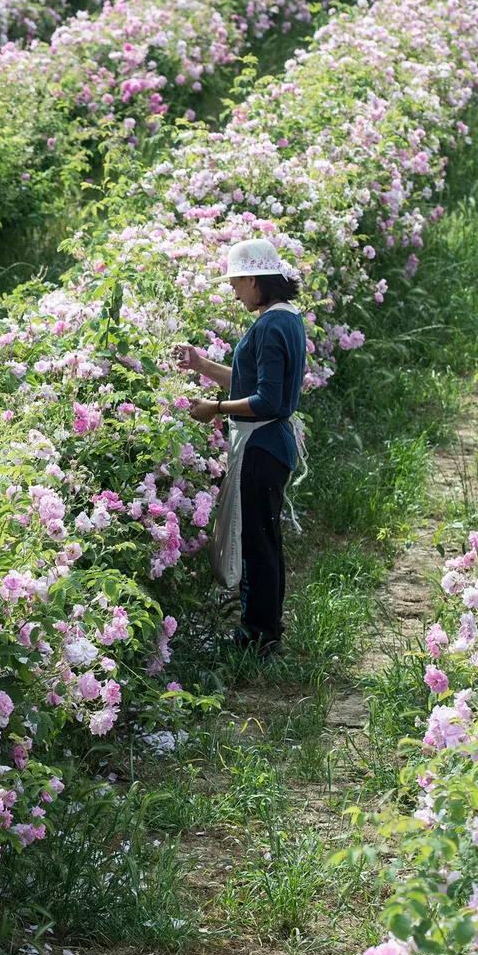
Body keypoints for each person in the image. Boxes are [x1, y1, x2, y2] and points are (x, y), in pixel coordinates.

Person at [175, 238, 307, 657]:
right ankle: (267, 627)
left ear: (254, 279)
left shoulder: (269, 326)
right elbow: (253, 383)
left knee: (257, 543)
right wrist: (201, 364)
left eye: (235, 282)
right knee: (265, 539)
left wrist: (214, 408)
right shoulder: (287, 318)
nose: (233, 291)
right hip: (272, 444)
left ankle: (257, 636)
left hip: (261, 447)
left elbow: (266, 399)